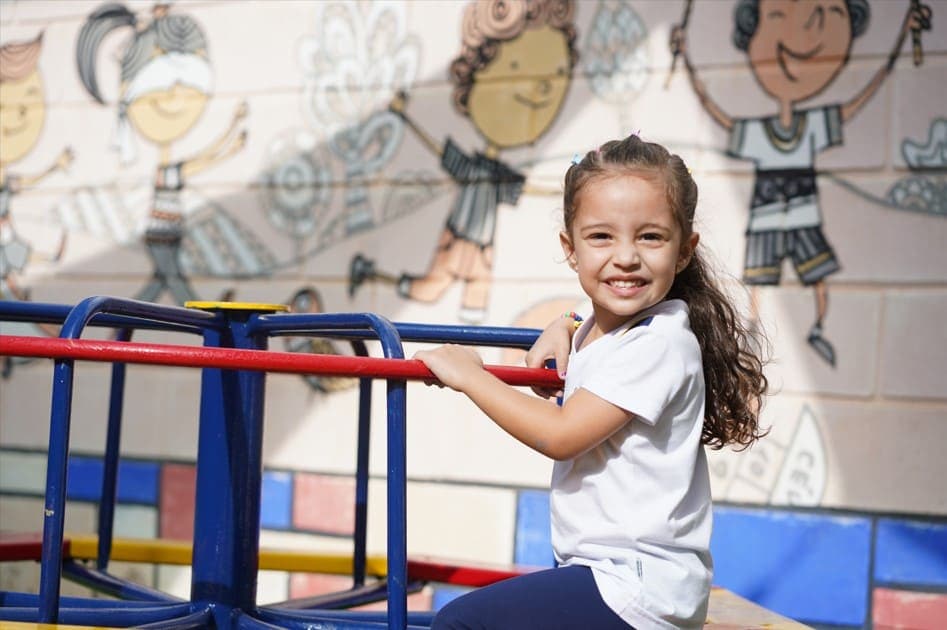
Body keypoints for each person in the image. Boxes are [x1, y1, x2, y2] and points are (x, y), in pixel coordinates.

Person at [415, 134, 768, 629]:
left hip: (636, 586)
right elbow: (593, 314)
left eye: (650, 237)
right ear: (571, 248)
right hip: (615, 576)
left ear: (685, 251)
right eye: (602, 237)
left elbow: (562, 436)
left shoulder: (659, 343)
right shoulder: (607, 326)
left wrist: (469, 377)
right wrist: (564, 322)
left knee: (459, 624)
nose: (625, 257)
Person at [669, 0, 931, 366]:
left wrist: (899, 43)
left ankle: (817, 327)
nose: (803, 33)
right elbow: (716, 112)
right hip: (768, 216)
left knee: (816, 276)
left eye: (829, 14)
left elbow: (861, 98)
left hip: (802, 214)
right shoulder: (761, 132)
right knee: (763, 281)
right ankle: (756, 330)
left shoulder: (814, 126)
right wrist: (688, 63)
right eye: (776, 16)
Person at [349, 0, 578, 323]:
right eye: (514, 69)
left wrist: (577, 185)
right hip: (456, 239)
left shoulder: (502, 176)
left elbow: (533, 190)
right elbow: (436, 149)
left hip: (482, 250)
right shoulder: (471, 167)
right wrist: (404, 117)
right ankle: (370, 272)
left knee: (474, 309)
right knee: (430, 290)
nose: (539, 91)